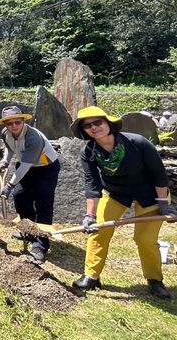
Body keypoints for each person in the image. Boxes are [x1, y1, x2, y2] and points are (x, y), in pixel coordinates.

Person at [70, 106, 177, 298]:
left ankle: (155, 280)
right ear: (84, 131)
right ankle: (91, 277)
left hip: (152, 195)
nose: (93, 128)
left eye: (97, 122)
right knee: (98, 232)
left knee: (145, 240)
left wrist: (163, 204)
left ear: (108, 123)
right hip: (116, 193)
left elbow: (159, 175)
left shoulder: (137, 143)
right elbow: (92, 184)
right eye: (87, 126)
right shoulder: (89, 152)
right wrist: (90, 215)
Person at [0, 105, 60, 264]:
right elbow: (10, 148)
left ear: (23, 121)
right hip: (27, 166)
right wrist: (6, 160)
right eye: (9, 124)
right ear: (5, 125)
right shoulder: (6, 133)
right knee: (20, 197)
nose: (14, 126)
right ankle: (29, 231)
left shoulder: (33, 138)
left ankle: (41, 245)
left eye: (17, 122)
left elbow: (25, 166)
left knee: (43, 204)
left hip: (46, 168)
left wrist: (9, 185)